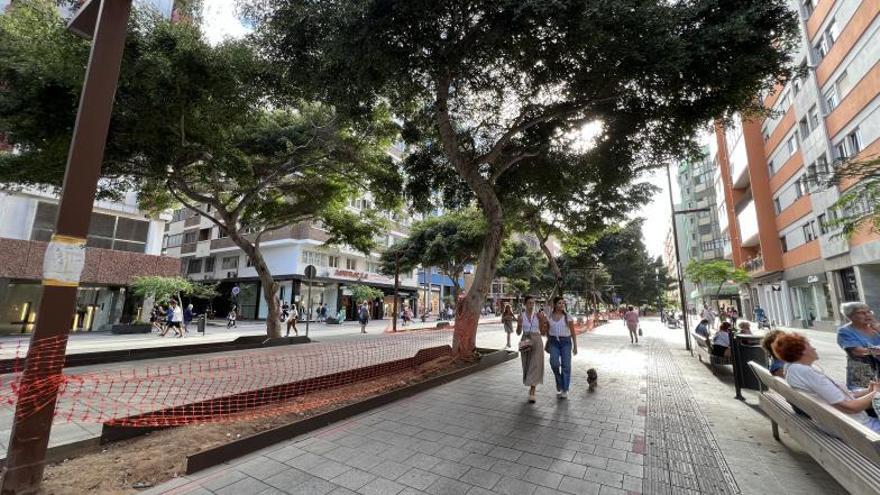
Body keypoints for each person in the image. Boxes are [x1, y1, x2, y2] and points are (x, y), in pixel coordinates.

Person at [774, 333, 880, 432]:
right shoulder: (806, 372)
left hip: (835, 423)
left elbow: (838, 397)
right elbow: (850, 408)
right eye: (809, 345)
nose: (814, 348)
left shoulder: (792, 369)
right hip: (856, 428)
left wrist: (868, 392)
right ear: (801, 351)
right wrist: (875, 392)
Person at [836, 302, 880, 390]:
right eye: (862, 313)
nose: (867, 315)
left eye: (868, 312)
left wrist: (877, 327)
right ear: (850, 316)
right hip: (861, 369)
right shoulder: (845, 331)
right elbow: (858, 351)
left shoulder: (875, 327)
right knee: (868, 398)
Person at [547, 296, 578, 399]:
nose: (561, 305)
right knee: (554, 363)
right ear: (555, 304)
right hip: (553, 342)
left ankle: (564, 389)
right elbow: (547, 330)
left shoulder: (567, 317)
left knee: (566, 366)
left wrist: (575, 347)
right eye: (559, 303)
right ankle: (559, 381)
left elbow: (573, 333)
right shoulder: (549, 316)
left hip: (566, 342)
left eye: (563, 303)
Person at [517, 296, 545, 403]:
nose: (531, 305)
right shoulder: (521, 316)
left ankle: (533, 390)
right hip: (525, 339)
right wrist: (519, 324)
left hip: (537, 340)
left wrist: (542, 321)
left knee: (536, 364)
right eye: (529, 303)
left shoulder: (538, 315)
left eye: (533, 303)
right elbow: (518, 333)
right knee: (527, 364)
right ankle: (530, 385)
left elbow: (542, 332)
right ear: (525, 304)